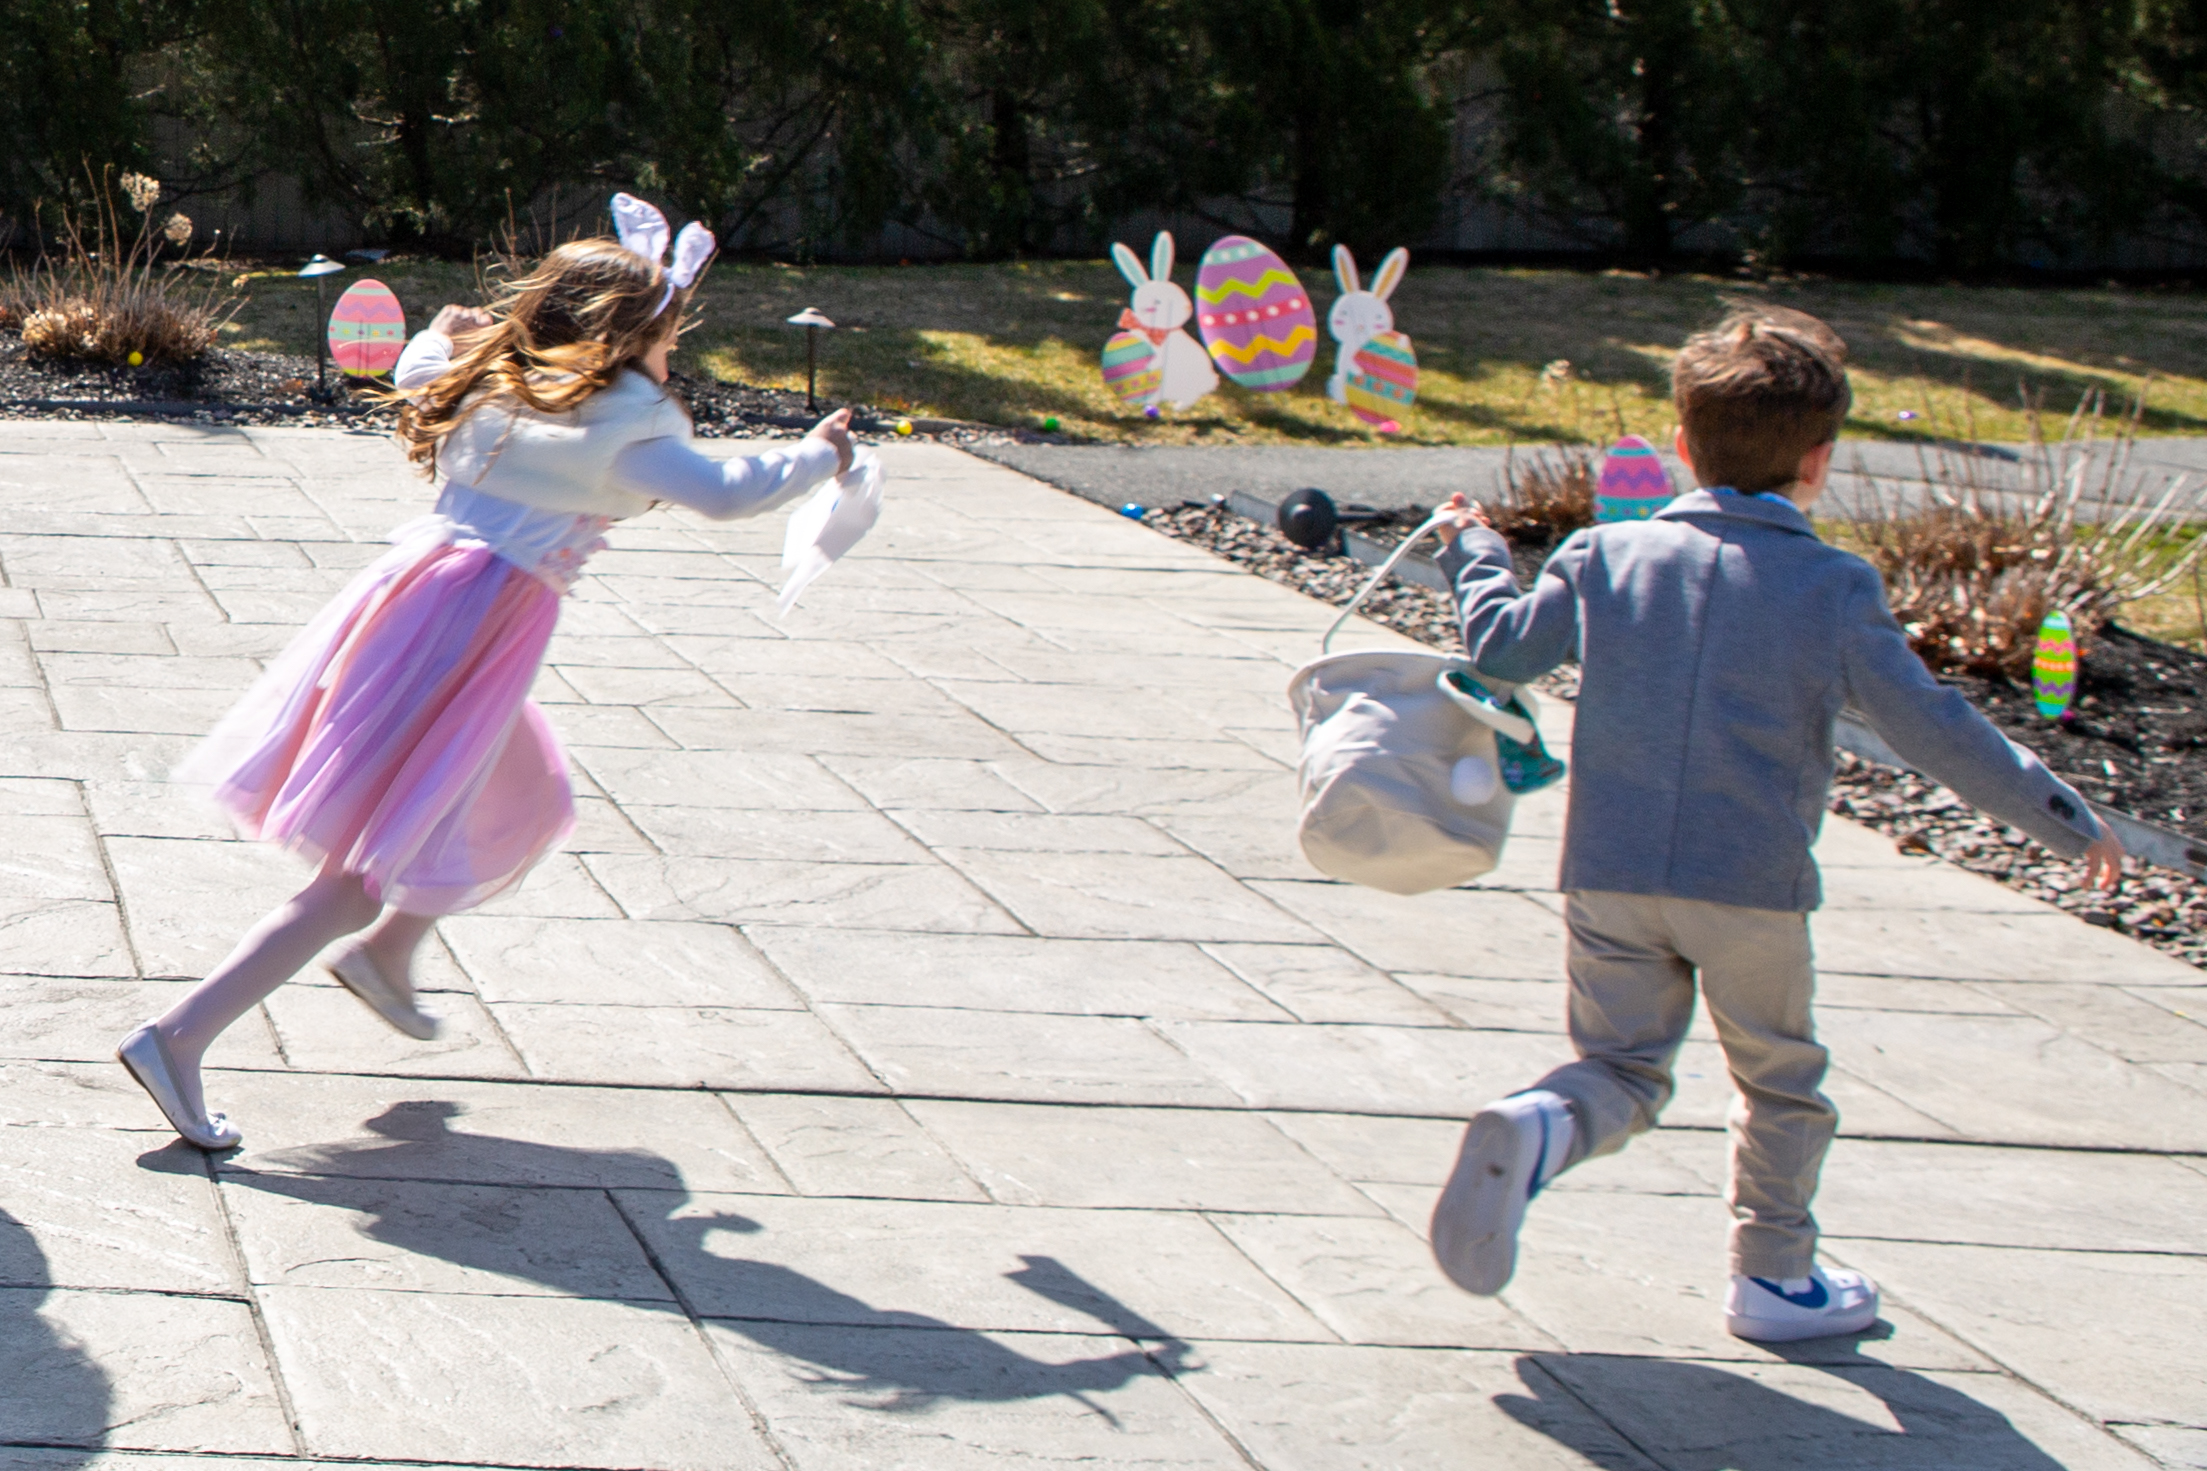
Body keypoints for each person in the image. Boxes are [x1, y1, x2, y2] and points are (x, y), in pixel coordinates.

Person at [1424, 310, 2124, 1341]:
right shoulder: (1833, 586)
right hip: (1748, 886)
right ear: (1817, 461)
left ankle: (1541, 1124)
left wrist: (1473, 547)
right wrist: (2064, 818)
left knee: (1618, 1069)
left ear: (1679, 445)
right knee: (1779, 1082)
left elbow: (1498, 649)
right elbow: (1934, 731)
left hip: (1608, 871)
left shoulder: (1602, 554)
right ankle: (1771, 1276)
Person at [116, 196, 855, 1151]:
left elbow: (423, 361)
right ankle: (178, 1036)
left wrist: (438, 328)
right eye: (671, 339)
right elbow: (722, 493)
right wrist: (816, 453)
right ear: (623, 338)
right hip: (466, 636)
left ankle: (387, 955)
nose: (676, 359)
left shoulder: (497, 382)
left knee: (529, 791)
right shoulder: (624, 417)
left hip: (420, 612)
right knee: (355, 875)